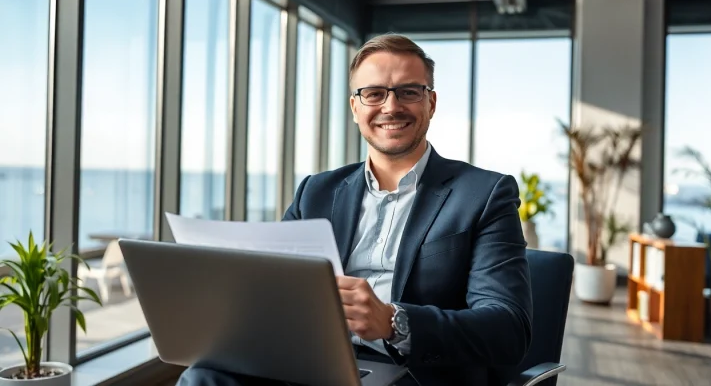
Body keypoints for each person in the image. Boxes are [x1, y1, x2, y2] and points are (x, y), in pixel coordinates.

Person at [177, 33, 533, 386]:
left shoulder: (485, 193)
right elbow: (275, 287)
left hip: (415, 373)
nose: (391, 107)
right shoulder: (315, 191)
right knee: (203, 376)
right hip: (310, 361)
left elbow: (507, 328)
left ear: (431, 103)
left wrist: (394, 322)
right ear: (355, 108)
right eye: (374, 93)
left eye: (409, 91)